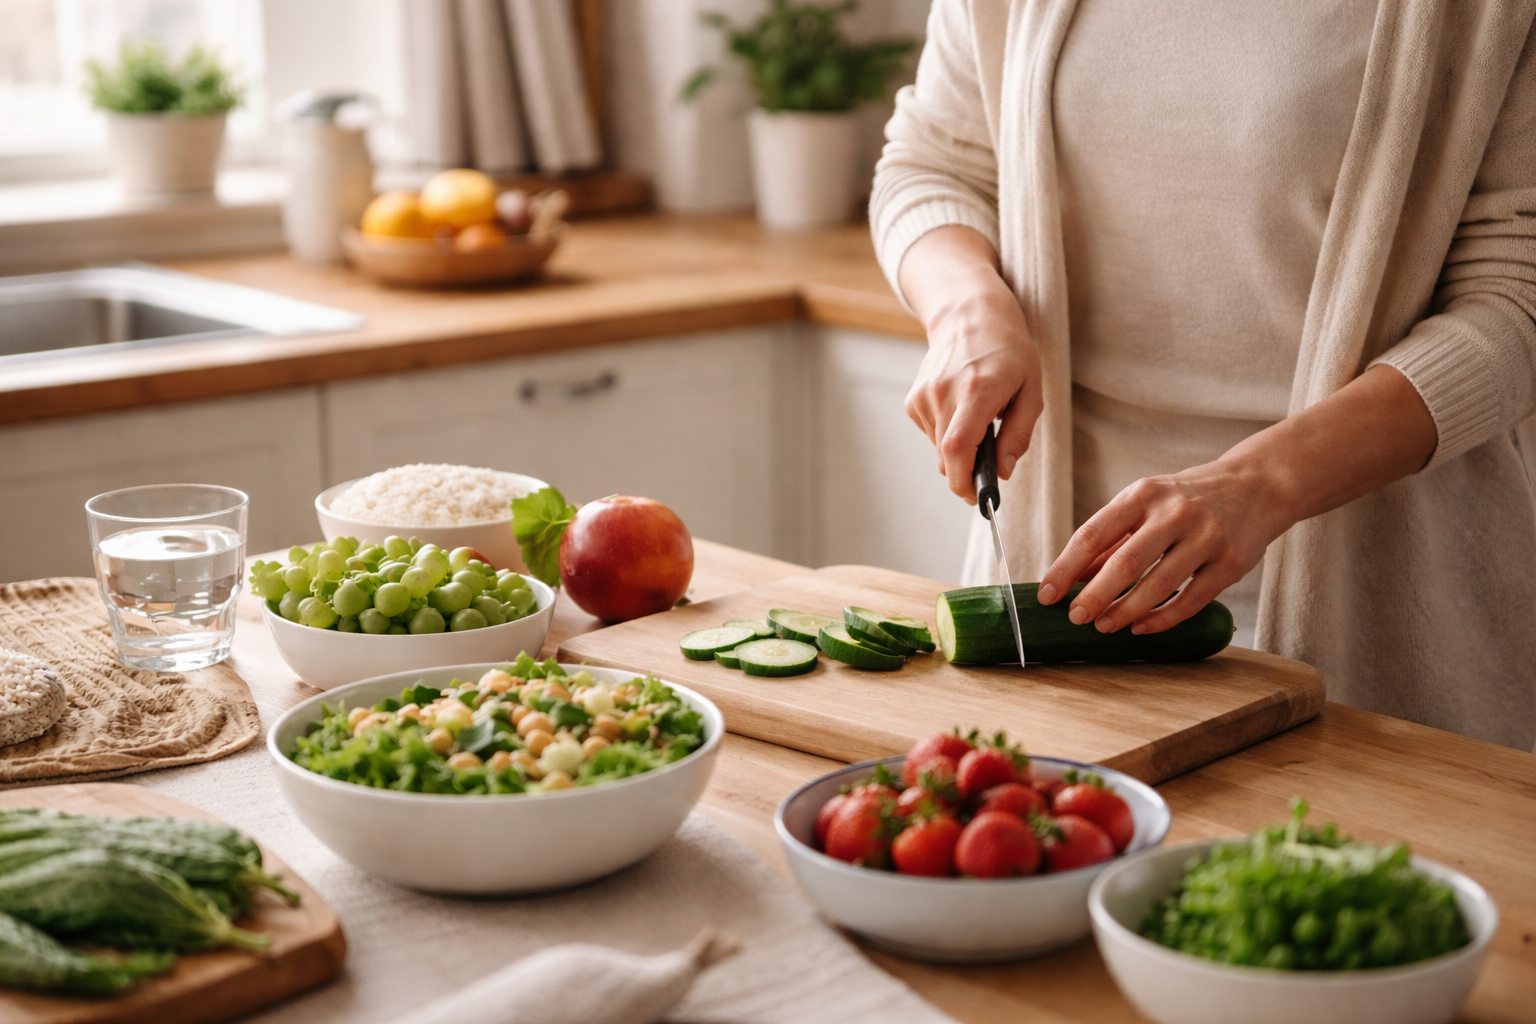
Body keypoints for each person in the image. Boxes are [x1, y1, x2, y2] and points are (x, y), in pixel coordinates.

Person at [870, 0, 1536, 750]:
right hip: (1056, 604)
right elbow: (934, 160)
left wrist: (1262, 482)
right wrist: (967, 306)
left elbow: (1517, 291)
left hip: (1389, 618)